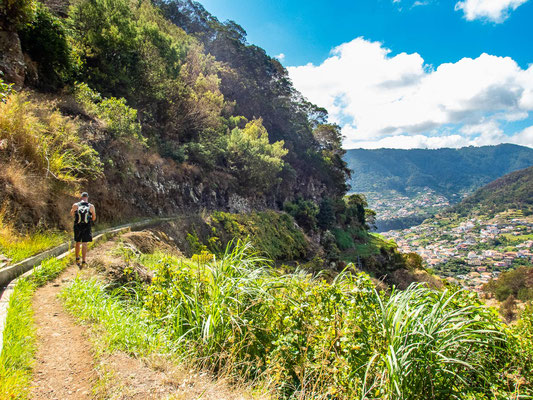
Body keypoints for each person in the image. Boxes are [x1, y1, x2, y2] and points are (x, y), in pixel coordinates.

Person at [70, 192, 96, 268]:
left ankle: (77, 259)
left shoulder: (75, 205)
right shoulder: (91, 206)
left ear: (81, 197)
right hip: (86, 226)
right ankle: (84, 261)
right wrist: (89, 217)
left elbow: (71, 214)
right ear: (87, 197)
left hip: (77, 225)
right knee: (84, 244)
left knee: (77, 242)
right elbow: (94, 218)